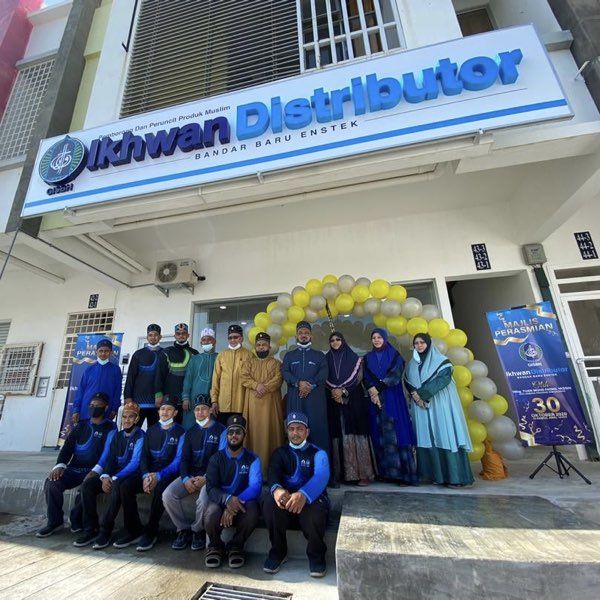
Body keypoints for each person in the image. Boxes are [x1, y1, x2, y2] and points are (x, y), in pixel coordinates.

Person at [36, 392, 116, 538]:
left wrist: (96, 470)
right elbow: (67, 447)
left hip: (94, 471)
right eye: (92, 405)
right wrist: (60, 465)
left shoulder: (110, 428)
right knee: (52, 483)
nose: (94, 408)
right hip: (74, 469)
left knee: (86, 488)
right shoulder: (81, 426)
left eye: (98, 405)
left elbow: (108, 453)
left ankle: (76, 520)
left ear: (105, 408)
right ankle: (55, 521)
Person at [262, 412, 330, 578]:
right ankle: (278, 552)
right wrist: (277, 490)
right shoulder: (279, 452)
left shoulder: (318, 453)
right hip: (287, 507)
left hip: (310, 506)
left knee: (315, 507)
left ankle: (316, 555)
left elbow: (321, 476)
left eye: (299, 429)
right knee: (269, 502)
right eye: (291, 429)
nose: (295, 433)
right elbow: (273, 473)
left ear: (307, 432)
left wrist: (303, 494)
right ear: (287, 431)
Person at [114, 397, 185, 551]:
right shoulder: (151, 430)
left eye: (169, 409)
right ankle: (133, 530)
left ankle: (151, 531)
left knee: (160, 489)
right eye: (162, 409)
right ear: (158, 411)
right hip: (149, 473)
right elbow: (144, 457)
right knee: (126, 486)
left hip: (168, 474)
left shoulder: (181, 432)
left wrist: (158, 476)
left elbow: (178, 461)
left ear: (175, 413)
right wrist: (146, 475)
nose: (165, 412)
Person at [404, 333, 474, 488]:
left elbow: (443, 379)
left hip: (440, 404)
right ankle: (431, 475)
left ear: (429, 344)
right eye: (416, 343)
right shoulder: (412, 364)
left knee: (444, 435)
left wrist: (422, 395)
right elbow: (407, 381)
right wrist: (416, 397)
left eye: (422, 342)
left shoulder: (442, 361)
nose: (419, 345)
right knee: (425, 436)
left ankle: (455, 478)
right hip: (420, 407)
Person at [73, 402, 145, 548]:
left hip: (131, 475)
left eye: (131, 417)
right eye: (124, 417)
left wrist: (113, 478)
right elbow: (110, 459)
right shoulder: (116, 436)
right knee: (88, 485)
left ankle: (105, 530)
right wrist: (105, 476)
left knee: (119, 486)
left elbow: (135, 463)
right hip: (114, 475)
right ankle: (90, 529)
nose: (127, 420)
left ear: (137, 419)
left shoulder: (141, 436)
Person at [162, 393, 227, 551]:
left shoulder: (221, 430)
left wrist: (206, 478)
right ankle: (184, 530)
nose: (200, 413)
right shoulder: (190, 432)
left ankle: (198, 531)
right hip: (191, 475)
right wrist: (185, 479)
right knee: (168, 495)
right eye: (197, 409)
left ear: (210, 410)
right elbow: (184, 459)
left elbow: (221, 460)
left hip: (211, 478)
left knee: (203, 501)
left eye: (203, 409)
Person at [204, 415, 261, 569]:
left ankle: (235, 546)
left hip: (243, 503)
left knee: (253, 511)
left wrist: (234, 502)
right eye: (230, 432)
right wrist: (227, 499)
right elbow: (211, 487)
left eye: (238, 432)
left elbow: (256, 486)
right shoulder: (216, 458)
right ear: (226, 435)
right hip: (221, 501)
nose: (234, 435)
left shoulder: (253, 459)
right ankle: (215, 545)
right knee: (210, 514)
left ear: (244, 435)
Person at [363, 328, 418, 485]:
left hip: (392, 397)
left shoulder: (395, 356)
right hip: (375, 400)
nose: (376, 340)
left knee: (397, 432)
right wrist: (371, 389)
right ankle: (386, 473)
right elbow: (365, 376)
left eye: (379, 337)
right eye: (374, 337)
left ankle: (403, 475)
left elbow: (395, 376)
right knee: (379, 433)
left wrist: (378, 389)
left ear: (385, 339)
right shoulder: (367, 357)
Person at [325, 331, 375, 486]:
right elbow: (323, 377)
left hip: (353, 402)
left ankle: (363, 474)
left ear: (343, 341)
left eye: (338, 339)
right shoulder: (326, 359)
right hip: (334, 403)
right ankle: (341, 474)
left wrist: (343, 390)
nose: (335, 342)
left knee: (355, 434)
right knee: (337, 435)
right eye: (332, 340)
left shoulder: (354, 359)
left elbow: (358, 378)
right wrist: (335, 391)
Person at [282, 321, 329, 455]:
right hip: (295, 398)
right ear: (296, 336)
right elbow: (285, 372)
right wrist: (298, 383)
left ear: (311, 336)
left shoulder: (319, 355)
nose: (303, 335)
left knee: (317, 429)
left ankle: (320, 462)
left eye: (306, 333)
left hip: (315, 400)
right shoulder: (289, 356)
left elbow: (323, 373)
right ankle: (296, 462)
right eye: (300, 333)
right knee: (296, 429)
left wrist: (309, 385)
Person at [241, 331, 284, 476]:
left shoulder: (276, 364)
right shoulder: (248, 363)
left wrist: (263, 388)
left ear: (269, 347)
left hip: (270, 406)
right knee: (252, 434)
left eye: (264, 345)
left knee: (271, 433)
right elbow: (243, 377)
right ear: (255, 347)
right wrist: (256, 385)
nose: (261, 347)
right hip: (252, 406)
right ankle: (252, 471)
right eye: (258, 345)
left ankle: (270, 471)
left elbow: (278, 379)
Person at [155, 323, 198, 424]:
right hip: (168, 398)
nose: (181, 335)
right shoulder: (166, 352)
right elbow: (159, 375)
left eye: (184, 333)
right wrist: (158, 393)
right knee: (168, 426)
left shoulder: (195, 353)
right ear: (175, 336)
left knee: (186, 427)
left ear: (188, 335)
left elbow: (196, 378)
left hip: (187, 399)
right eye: (178, 333)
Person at [210, 324, 253, 425]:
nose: (233, 340)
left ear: (241, 338)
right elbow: (216, 379)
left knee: (240, 431)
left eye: (236, 337)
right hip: (223, 404)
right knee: (223, 431)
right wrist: (214, 400)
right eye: (230, 338)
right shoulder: (221, 355)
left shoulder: (249, 355)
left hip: (241, 403)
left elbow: (252, 379)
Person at [123, 324, 164, 428]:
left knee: (154, 432)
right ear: (147, 337)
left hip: (157, 403)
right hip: (137, 402)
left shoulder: (164, 354)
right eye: (150, 335)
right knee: (133, 431)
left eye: (155, 335)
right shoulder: (138, 354)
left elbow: (166, 378)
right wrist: (127, 397)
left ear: (160, 337)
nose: (153, 337)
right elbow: (131, 376)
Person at [72, 339, 121, 423]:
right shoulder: (89, 370)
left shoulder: (115, 370)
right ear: (96, 352)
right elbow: (81, 390)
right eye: (101, 351)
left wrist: (114, 409)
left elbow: (117, 391)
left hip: (106, 411)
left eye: (106, 351)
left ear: (111, 353)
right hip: (86, 410)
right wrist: (76, 409)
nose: (103, 353)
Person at [181, 327, 218, 430]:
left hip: (213, 398)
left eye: (209, 339)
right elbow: (188, 380)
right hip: (193, 398)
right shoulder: (195, 359)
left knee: (211, 426)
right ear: (201, 342)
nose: (206, 341)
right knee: (191, 426)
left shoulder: (220, 358)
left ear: (214, 341)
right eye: (204, 340)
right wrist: (185, 398)